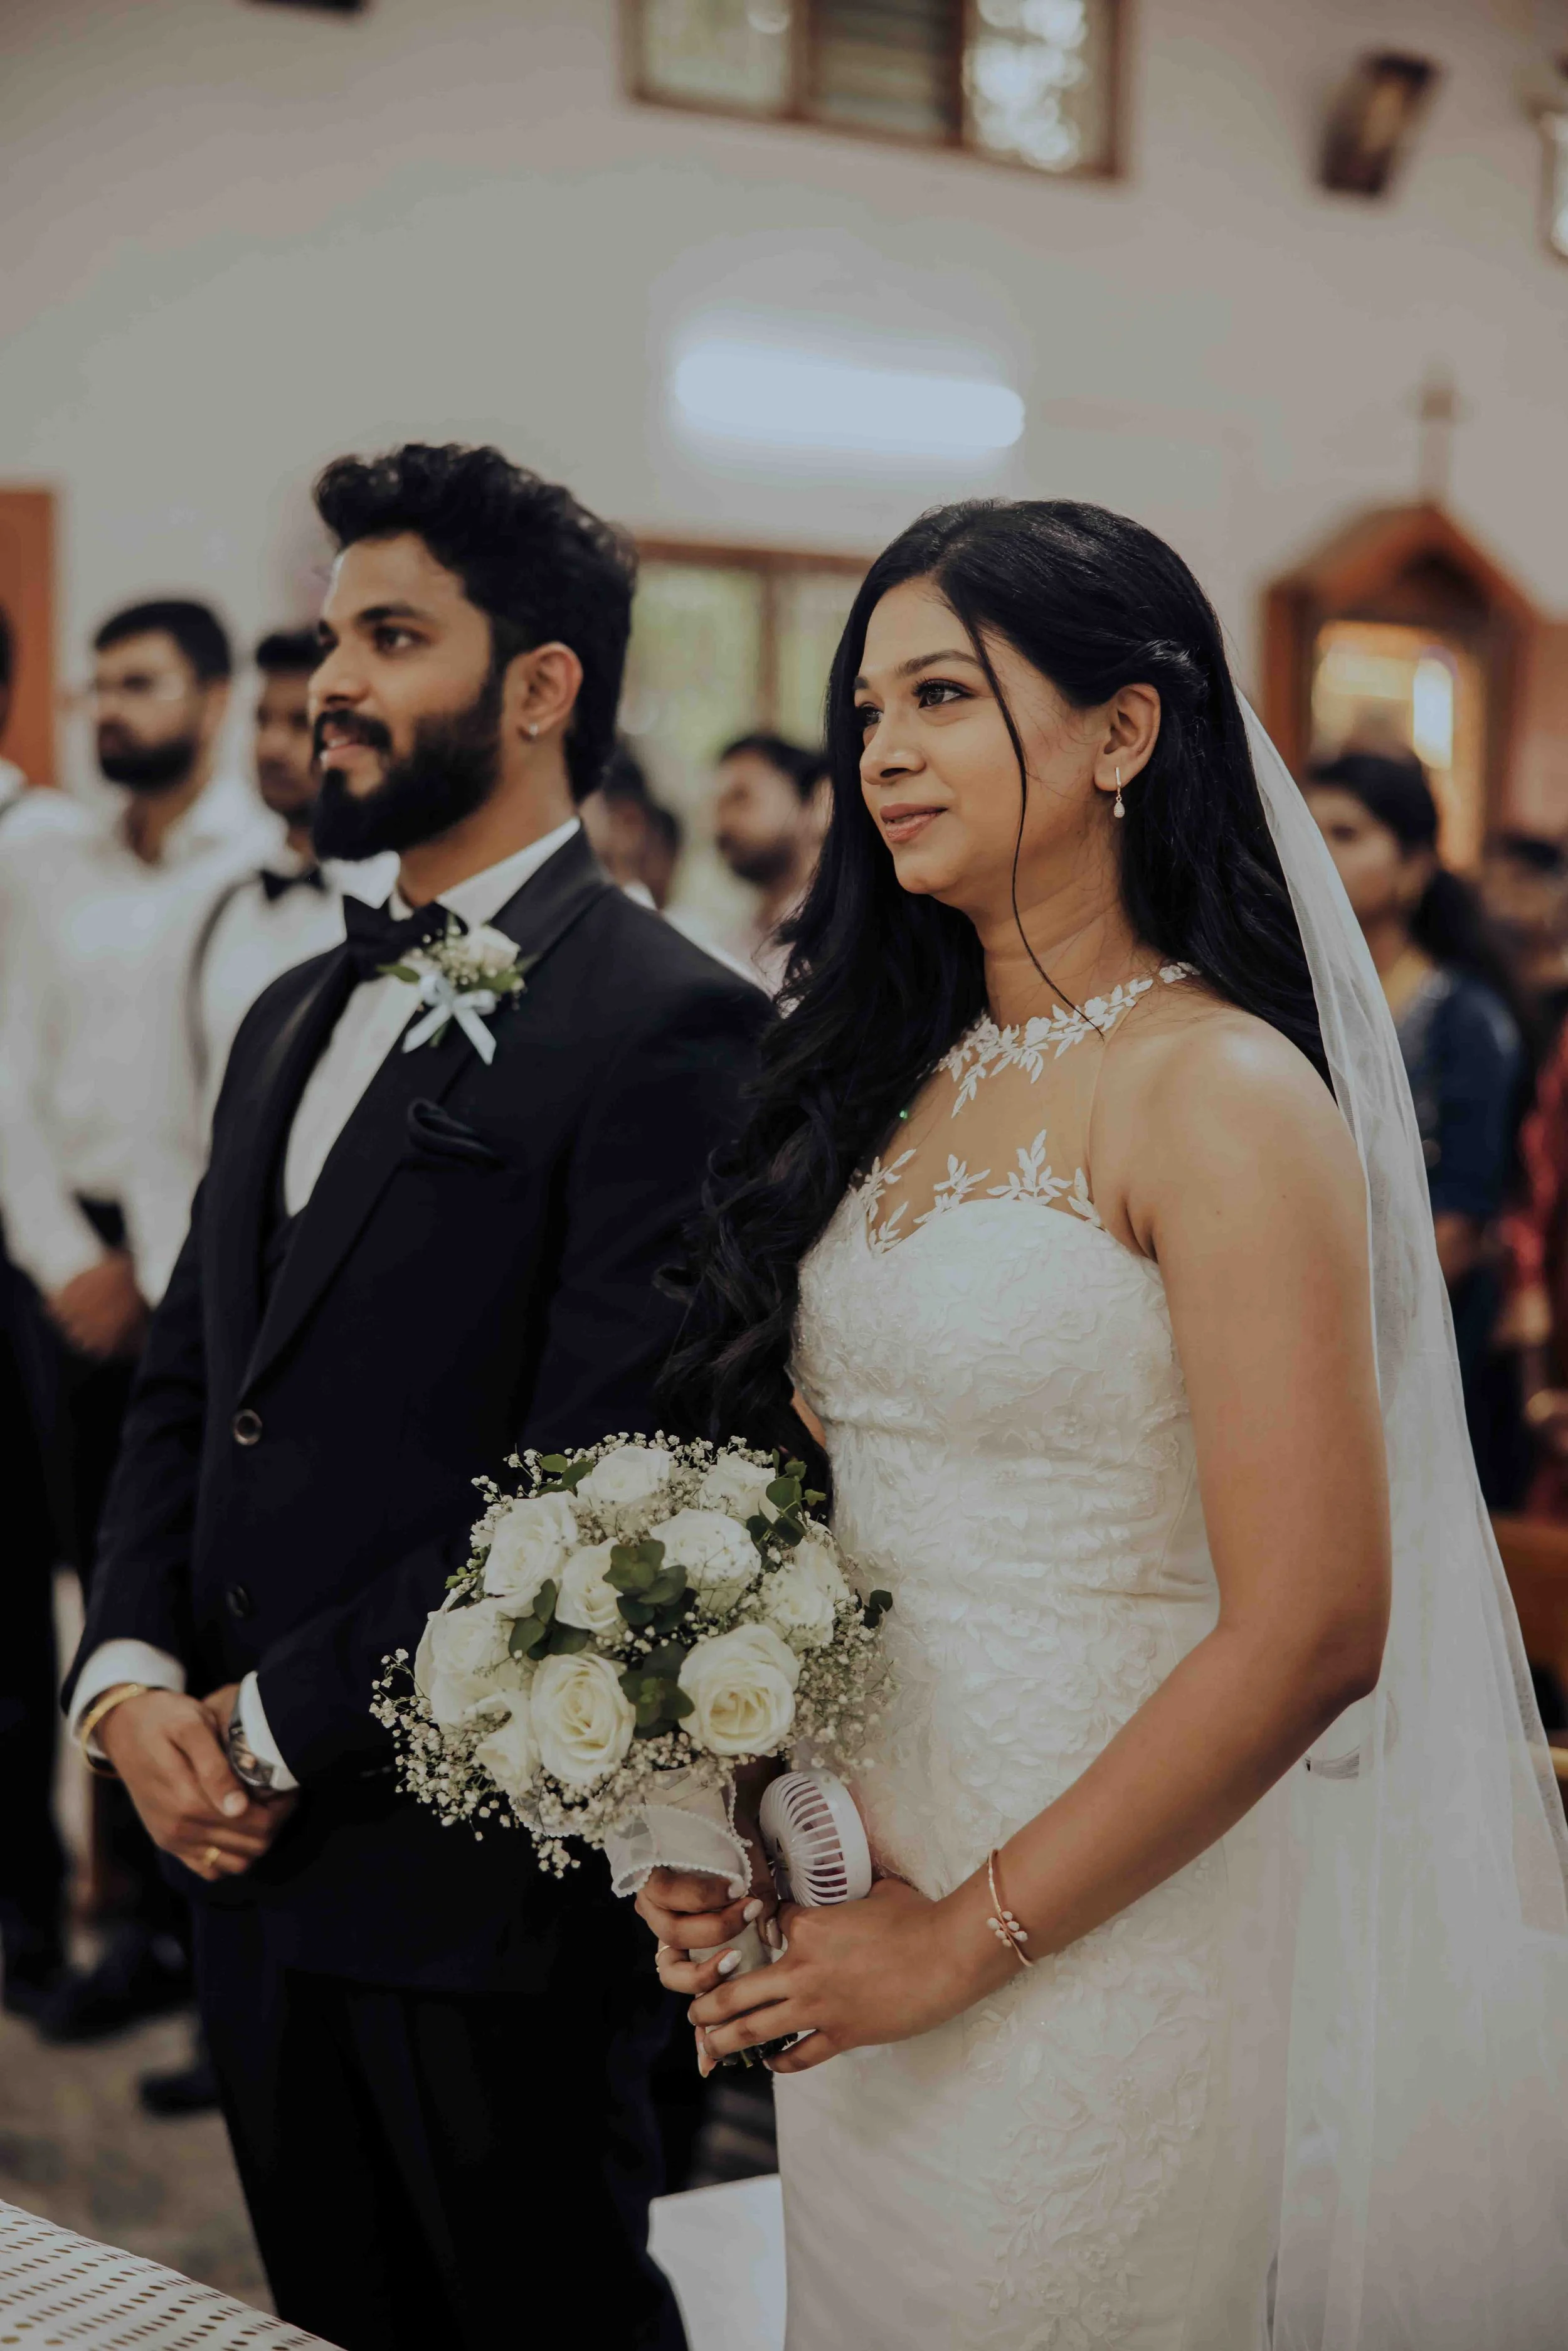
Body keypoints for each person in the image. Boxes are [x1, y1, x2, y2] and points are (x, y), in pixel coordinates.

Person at [637, 499, 1568, 2347]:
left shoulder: (1215, 1090)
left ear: (1123, 731)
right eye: (866, 709)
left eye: (940, 696)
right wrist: (730, 1809)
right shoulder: (889, 1081)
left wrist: (958, 1936)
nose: (880, 752)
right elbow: (842, 1515)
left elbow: (1314, 1622)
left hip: (1092, 1925)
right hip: (858, 1896)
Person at [63, 442, 767, 2351]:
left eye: (390, 637)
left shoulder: (669, 1023)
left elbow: (595, 1489)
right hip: (243, 1870)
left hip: (478, 1889)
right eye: (326, 639)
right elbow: (191, 1384)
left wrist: (261, 1727)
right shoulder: (288, 1009)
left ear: (539, 687)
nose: (331, 684)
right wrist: (127, 1679)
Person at [0, 597, 272, 2042]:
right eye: (97, 684)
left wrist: (162, 1282)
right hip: (57, 1260)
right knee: (62, 1593)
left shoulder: (265, 865)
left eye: (141, 681)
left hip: (202, 1273)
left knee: (183, 1589)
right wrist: (62, 1256)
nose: (111, 707)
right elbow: (8, 1066)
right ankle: (88, 1913)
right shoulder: (46, 859)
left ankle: (184, 1924)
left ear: (211, 699)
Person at [1305, 753, 1527, 1495]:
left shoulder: (1464, 1018)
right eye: (1307, 829)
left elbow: (1459, 1224)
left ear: (1413, 868)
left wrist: (1340, 1329)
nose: (1316, 852)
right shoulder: (1290, 999)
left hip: (1418, 1334)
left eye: (1346, 834)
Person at [177, 629, 396, 1149]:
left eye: (302, 723)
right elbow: (184, 1100)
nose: (272, 747)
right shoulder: (218, 897)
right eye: (262, 721)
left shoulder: (402, 903)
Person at [710, 732, 830, 992]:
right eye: (718, 805)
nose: (722, 823)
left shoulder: (844, 933)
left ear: (814, 803)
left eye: (741, 798)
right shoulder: (728, 946)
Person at [1481, 828, 1568, 1051]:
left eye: (1520, 886)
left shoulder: (1558, 979)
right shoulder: (1488, 973)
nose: (1501, 906)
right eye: (1494, 887)